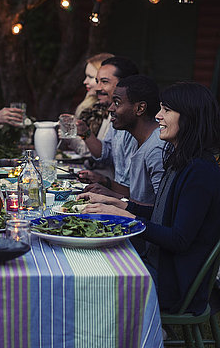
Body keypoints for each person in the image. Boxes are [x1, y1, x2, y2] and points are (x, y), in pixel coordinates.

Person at [81, 82, 220, 315]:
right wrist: (120, 204)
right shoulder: (182, 160)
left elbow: (178, 239)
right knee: (91, 263)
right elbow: (163, 214)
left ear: (189, 117)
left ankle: (142, 331)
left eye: (166, 110)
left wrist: (128, 218)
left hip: (175, 284)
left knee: (93, 283)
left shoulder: (200, 171)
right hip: (160, 266)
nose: (157, 116)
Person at [79, 75, 165, 205]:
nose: (110, 108)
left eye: (117, 103)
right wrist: (106, 184)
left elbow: (161, 210)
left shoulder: (157, 148)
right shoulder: (139, 141)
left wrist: (114, 199)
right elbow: (140, 196)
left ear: (140, 108)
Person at [78, 56, 139, 197]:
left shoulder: (139, 124)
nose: (97, 88)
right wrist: (84, 132)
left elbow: (140, 196)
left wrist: (106, 183)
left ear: (125, 84)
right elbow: (105, 154)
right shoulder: (116, 116)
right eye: (97, 81)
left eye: (104, 82)